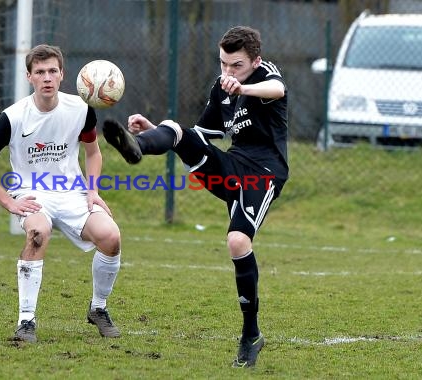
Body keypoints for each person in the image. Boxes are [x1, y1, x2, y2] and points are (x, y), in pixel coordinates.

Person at [103, 26, 288, 368]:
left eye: (236, 65)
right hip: (231, 166)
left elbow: (278, 89)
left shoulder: (264, 75)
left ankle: (251, 335)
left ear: (255, 61)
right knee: (176, 129)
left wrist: (244, 85)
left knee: (237, 242)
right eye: (223, 64)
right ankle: (137, 145)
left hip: (264, 173)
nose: (227, 72)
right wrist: (154, 128)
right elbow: (201, 134)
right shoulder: (221, 88)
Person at [0, 44, 122, 342]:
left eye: (52, 71)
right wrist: (9, 202)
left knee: (111, 236)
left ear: (63, 74)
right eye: (40, 72)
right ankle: (26, 322)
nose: (47, 77)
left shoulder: (81, 108)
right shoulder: (13, 117)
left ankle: (98, 308)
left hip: (72, 192)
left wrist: (92, 191)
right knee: (38, 232)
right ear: (29, 77)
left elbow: (93, 153)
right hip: (31, 192)